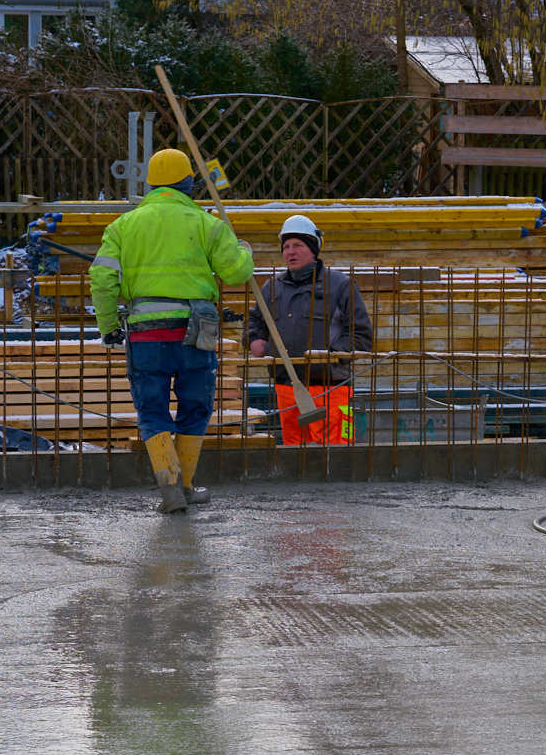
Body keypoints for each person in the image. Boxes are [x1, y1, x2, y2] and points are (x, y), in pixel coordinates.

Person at [91, 148, 253, 514]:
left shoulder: (123, 226)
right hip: (198, 332)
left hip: (146, 335)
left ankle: (171, 492)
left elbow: (101, 279)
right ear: (188, 183)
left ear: (150, 184)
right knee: (196, 406)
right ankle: (187, 485)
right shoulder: (206, 223)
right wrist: (244, 249)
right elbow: (237, 274)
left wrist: (109, 327)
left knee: (153, 411)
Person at [245, 214, 373, 445]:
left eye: (298, 245)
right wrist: (254, 339)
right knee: (296, 456)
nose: (290, 252)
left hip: (329, 390)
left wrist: (330, 356)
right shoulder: (272, 288)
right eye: (286, 247)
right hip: (287, 388)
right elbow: (254, 322)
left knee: (336, 456)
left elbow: (360, 335)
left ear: (313, 250)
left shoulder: (341, 285)